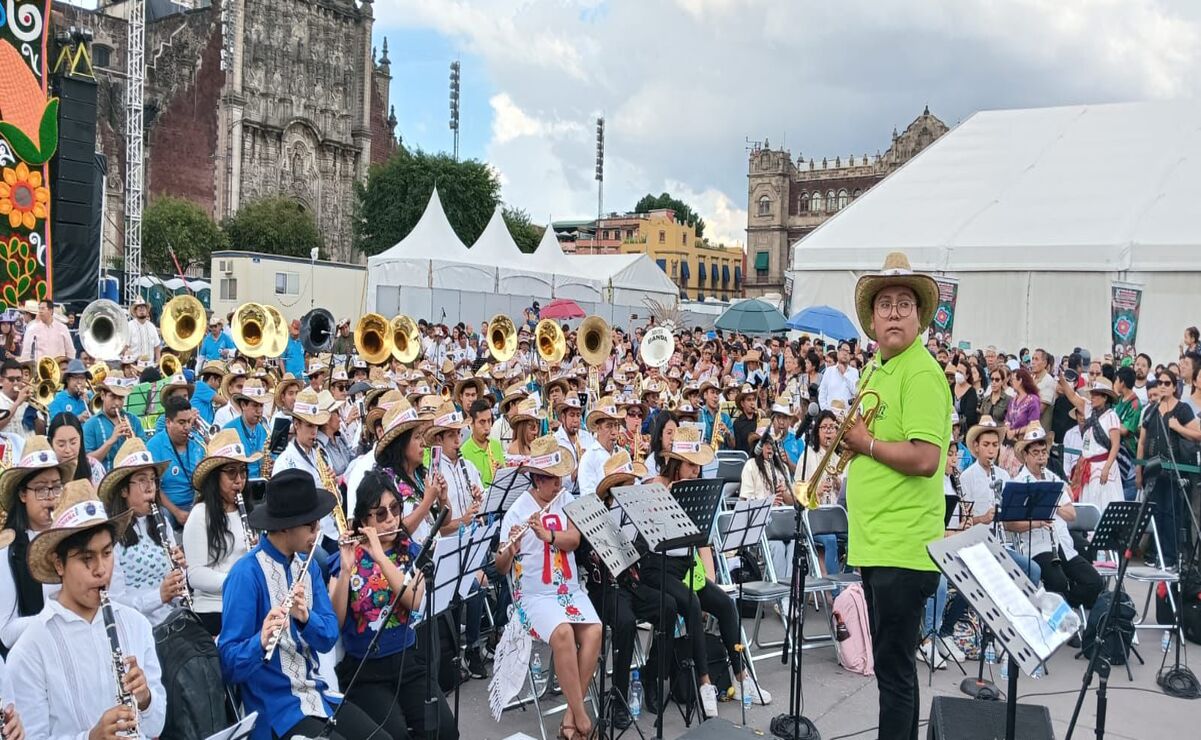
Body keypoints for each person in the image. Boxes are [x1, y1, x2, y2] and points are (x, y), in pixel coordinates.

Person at [840, 251, 948, 740]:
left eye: (905, 304)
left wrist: (866, 444)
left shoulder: (920, 372)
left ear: (920, 318)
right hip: (878, 542)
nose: (894, 313)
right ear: (873, 319)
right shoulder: (877, 371)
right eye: (885, 305)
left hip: (902, 546)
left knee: (895, 674)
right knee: (895, 672)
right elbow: (869, 440)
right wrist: (850, 444)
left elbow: (926, 459)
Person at [218, 468, 379, 740]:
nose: (317, 532)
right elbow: (229, 664)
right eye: (311, 525)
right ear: (284, 526)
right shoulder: (246, 574)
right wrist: (260, 640)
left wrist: (306, 619)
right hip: (275, 711)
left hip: (317, 694)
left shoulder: (309, 567)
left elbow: (328, 636)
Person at [9, 478, 166, 738]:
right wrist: (91, 737)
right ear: (59, 565)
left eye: (106, 553)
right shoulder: (29, 650)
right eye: (86, 559)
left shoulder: (136, 624)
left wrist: (146, 700)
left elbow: (156, 726)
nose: (101, 570)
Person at [641, 424, 769, 718]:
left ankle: (742, 679)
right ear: (675, 462)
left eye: (698, 466)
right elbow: (650, 538)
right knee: (690, 603)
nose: (696, 472)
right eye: (690, 465)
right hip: (657, 566)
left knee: (724, 604)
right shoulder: (654, 485)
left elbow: (703, 543)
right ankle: (705, 683)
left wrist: (710, 579)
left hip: (685, 566)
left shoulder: (697, 490)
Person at [329, 469, 458, 740]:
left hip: (409, 662)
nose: (390, 520)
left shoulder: (410, 551)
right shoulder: (346, 555)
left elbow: (413, 599)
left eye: (395, 509)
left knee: (445, 730)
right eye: (380, 514)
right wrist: (344, 572)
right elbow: (335, 622)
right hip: (366, 671)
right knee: (395, 735)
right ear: (363, 520)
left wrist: (379, 556)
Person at [495, 434, 601, 740]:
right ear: (537, 480)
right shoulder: (517, 510)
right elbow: (501, 567)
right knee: (563, 632)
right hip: (533, 596)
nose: (559, 486)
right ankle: (581, 719)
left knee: (594, 631)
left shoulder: (565, 500)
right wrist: (510, 549)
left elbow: (575, 540)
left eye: (560, 479)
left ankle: (571, 716)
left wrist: (548, 536)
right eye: (553, 481)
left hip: (567, 590)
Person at [1007, 424, 1103, 610]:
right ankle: (1062, 616)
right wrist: (1036, 523)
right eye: (1036, 452)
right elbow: (1009, 524)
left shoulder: (1054, 480)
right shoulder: (1018, 484)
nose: (1041, 457)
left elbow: (1071, 515)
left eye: (1044, 452)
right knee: (1058, 582)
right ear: (1025, 455)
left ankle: (1065, 609)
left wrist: (1052, 501)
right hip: (1036, 548)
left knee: (1094, 582)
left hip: (1063, 545)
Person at [99, 438, 188, 626]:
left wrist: (181, 572)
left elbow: (176, 590)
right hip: (136, 627)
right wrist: (159, 596)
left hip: (172, 623)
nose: (150, 487)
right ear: (123, 490)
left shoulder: (161, 523)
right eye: (141, 480)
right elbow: (115, 601)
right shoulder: (111, 535)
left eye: (152, 480)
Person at [182, 429, 262, 635]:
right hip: (215, 607)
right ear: (215, 477)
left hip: (248, 602)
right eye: (231, 473)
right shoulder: (200, 515)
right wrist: (238, 581)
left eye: (243, 471)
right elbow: (195, 575)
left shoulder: (249, 512)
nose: (239, 480)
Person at [0, 436, 73, 653]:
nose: (51, 497)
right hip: (37, 657)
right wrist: (60, 615)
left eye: (56, 487)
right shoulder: (9, 550)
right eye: (41, 489)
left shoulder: (74, 537)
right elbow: (5, 632)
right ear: (23, 494)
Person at [1137, 368, 1200, 568]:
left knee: (1172, 513)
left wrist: (1178, 427)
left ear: (1174, 387)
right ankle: (1156, 554)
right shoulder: (1150, 409)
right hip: (1153, 471)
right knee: (1155, 512)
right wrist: (1139, 471)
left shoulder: (1182, 409)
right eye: (1160, 383)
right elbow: (1142, 442)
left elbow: (1198, 435)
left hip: (1175, 471)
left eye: (1167, 383)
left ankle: (1171, 557)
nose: (1162, 386)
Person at [1058, 377, 1124, 510]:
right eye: (1092, 394)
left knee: (1105, 501)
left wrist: (1107, 467)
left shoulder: (1111, 416)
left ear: (1104, 398)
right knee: (1089, 501)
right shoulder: (1088, 410)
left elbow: (1115, 445)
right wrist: (1062, 380)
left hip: (1104, 465)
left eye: (1096, 395)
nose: (1092, 397)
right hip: (1088, 465)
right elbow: (1072, 396)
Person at [146, 395, 206, 527]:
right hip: (168, 508)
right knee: (163, 515)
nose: (187, 427)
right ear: (168, 422)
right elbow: (154, 487)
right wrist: (177, 512)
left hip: (196, 504)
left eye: (190, 421)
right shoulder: (154, 446)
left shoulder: (198, 442)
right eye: (181, 422)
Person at [83, 376, 145, 470]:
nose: (117, 403)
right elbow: (87, 462)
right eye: (112, 396)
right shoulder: (90, 424)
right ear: (103, 395)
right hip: (104, 479)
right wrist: (111, 440)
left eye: (120, 398)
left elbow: (145, 453)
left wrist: (134, 441)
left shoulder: (134, 420)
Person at [577, 396, 624, 499]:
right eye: (609, 426)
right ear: (598, 429)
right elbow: (587, 496)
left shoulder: (623, 454)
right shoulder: (588, 458)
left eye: (616, 426)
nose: (614, 432)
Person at [223, 377, 269, 479]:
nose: (259, 411)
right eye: (255, 405)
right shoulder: (228, 430)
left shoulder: (263, 430)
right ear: (243, 405)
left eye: (261, 406)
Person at [49, 411, 105, 485]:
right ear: (50, 443)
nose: (68, 450)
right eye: (61, 445)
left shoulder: (93, 467)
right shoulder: (45, 473)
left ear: (80, 439)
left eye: (73, 443)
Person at [461, 398, 506, 488]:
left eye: (489, 421)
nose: (487, 427)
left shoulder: (495, 445)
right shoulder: (464, 452)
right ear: (472, 422)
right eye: (482, 422)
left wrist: (501, 472)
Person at [818, 340, 860, 411]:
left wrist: (845, 374)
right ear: (838, 353)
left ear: (850, 356)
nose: (845, 354)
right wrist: (826, 411)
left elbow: (856, 392)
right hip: (830, 414)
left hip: (847, 416)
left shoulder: (854, 372)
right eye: (843, 350)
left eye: (848, 351)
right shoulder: (829, 371)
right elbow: (822, 394)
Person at [126, 296, 161, 362]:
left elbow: (157, 345)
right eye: (139, 308)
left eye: (143, 308)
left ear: (147, 311)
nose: (141, 310)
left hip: (150, 366)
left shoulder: (152, 327)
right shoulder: (130, 326)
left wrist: (158, 360)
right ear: (135, 312)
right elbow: (125, 346)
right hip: (134, 365)